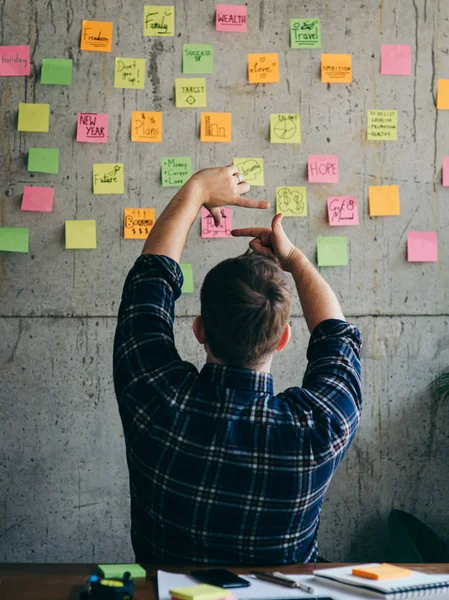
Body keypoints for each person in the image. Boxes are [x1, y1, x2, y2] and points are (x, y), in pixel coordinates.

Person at [113, 165, 362, 564]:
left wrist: (195, 190)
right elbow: (336, 335)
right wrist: (294, 259)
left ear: (199, 330)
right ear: (283, 339)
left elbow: (149, 285)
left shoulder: (154, 398)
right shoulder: (320, 428)